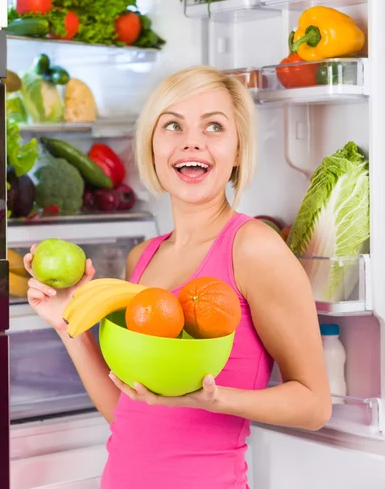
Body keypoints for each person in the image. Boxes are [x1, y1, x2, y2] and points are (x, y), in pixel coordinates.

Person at [24, 65, 331, 489]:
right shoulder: (142, 258)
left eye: (214, 127)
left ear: (238, 149)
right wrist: (66, 324)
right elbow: (128, 411)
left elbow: (315, 405)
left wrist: (214, 398)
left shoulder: (253, 248)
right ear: (152, 145)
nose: (192, 141)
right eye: (173, 125)